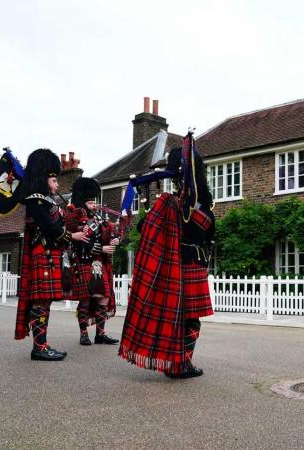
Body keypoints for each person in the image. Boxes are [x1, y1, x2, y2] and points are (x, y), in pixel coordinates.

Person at [119, 132, 214, 379]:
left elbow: (143, 228)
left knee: (178, 319)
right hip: (191, 264)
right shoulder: (191, 204)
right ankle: (181, 364)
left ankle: (177, 362)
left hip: (176, 266)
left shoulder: (169, 203)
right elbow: (207, 228)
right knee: (191, 320)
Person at [15, 149, 89, 361]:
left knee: (44, 302)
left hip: (50, 254)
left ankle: (41, 345)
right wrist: (72, 235)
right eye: (54, 180)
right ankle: (39, 347)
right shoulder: (36, 200)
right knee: (40, 301)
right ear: (44, 179)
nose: (57, 184)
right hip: (43, 254)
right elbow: (50, 228)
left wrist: (76, 221)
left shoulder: (46, 201)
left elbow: (59, 224)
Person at [65, 177, 119, 346]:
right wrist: (101, 249)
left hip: (98, 263)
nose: (94, 206)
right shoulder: (74, 217)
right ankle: (83, 334)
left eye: (94, 203)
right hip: (83, 261)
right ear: (82, 202)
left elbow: (104, 236)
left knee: (103, 297)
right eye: (90, 203)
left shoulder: (97, 219)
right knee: (86, 299)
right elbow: (79, 244)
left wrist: (113, 240)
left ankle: (100, 334)